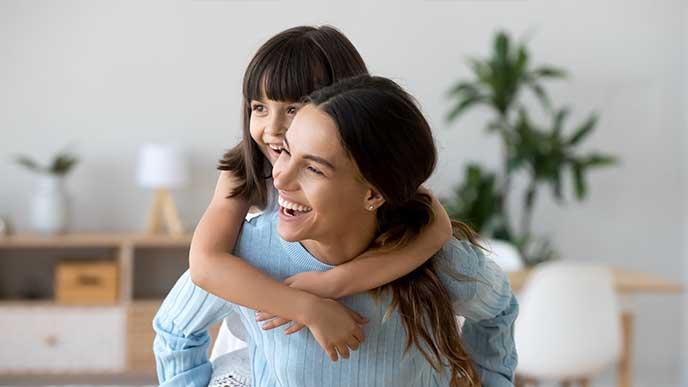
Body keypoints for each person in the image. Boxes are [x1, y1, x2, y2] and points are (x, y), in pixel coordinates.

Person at [153, 75, 518, 387]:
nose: (279, 176)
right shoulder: (246, 256)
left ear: (373, 193)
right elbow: (174, 333)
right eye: (285, 152)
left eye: (313, 168)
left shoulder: (439, 260)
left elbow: (498, 313)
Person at [185, 25, 453, 366]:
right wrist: (305, 305)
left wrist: (334, 282)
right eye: (259, 107)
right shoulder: (243, 172)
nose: (272, 129)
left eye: (293, 109)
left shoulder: (371, 177)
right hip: (260, 342)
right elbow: (205, 264)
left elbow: (436, 227)